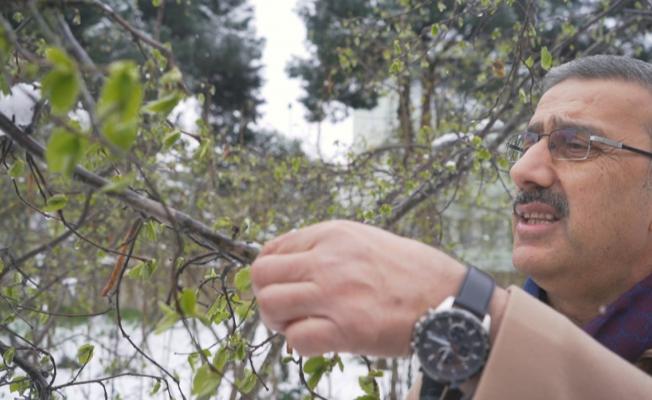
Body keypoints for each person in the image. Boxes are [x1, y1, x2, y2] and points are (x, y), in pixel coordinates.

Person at [251, 55, 652, 399]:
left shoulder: (468, 338)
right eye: (529, 142)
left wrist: (478, 314)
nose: (522, 169)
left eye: (576, 144)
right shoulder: (455, 368)